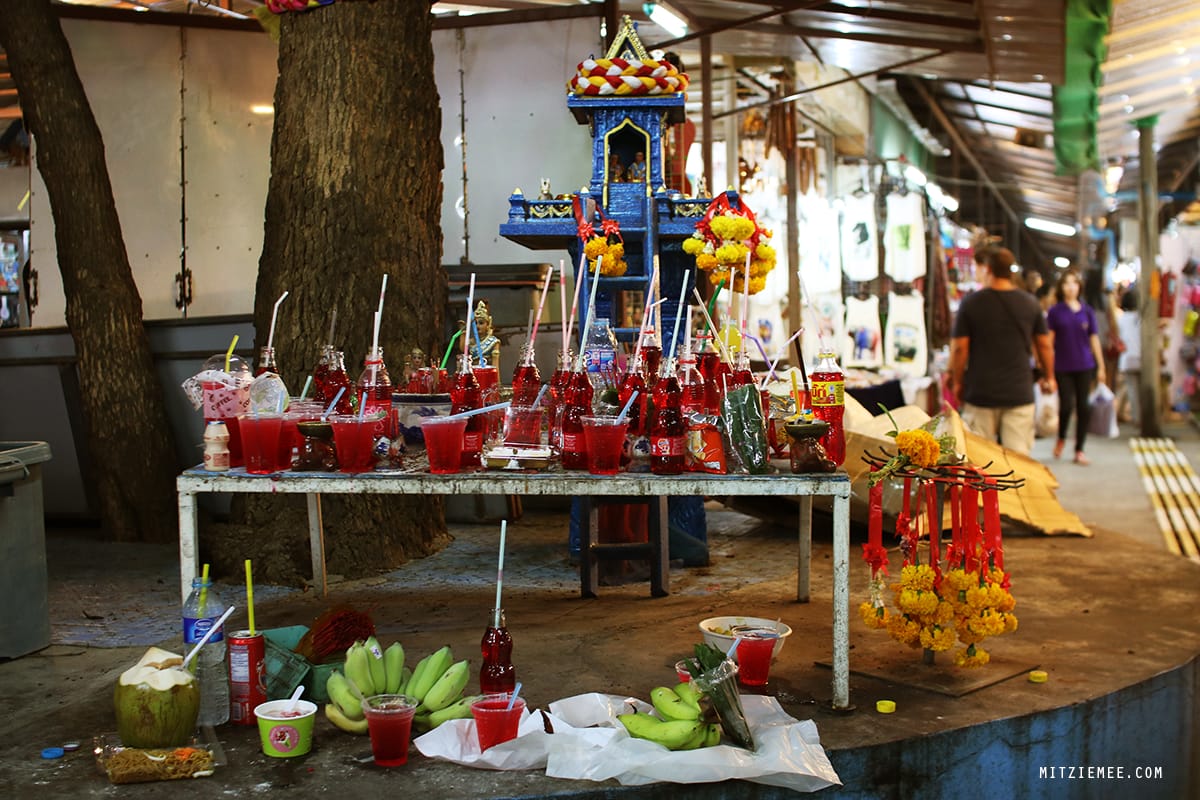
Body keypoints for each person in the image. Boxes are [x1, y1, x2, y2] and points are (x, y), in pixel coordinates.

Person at [948, 247, 1055, 455]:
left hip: (980, 391)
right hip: (1019, 391)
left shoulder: (971, 303)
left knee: (980, 460)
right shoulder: (1030, 303)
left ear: (988, 269)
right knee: (1018, 460)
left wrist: (957, 380)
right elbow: (1044, 345)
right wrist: (1049, 376)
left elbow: (960, 348)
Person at [1045, 270, 1106, 465]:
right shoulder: (1055, 312)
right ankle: (1061, 437)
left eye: (1074, 283)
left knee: (1083, 407)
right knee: (1066, 406)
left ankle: (1080, 449)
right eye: (1067, 283)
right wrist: (1046, 368)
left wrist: (1101, 366)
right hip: (1062, 365)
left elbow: (1094, 339)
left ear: (1079, 287)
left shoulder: (1087, 311)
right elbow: (1049, 341)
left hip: (1084, 365)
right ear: (1061, 287)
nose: (1070, 287)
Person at [1116, 288, 1141, 424]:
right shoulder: (1141, 318)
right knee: (1139, 389)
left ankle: (1136, 418)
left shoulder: (1121, 319)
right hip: (1142, 357)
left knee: (1131, 389)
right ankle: (1139, 417)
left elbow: (1119, 338)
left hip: (1127, 358)